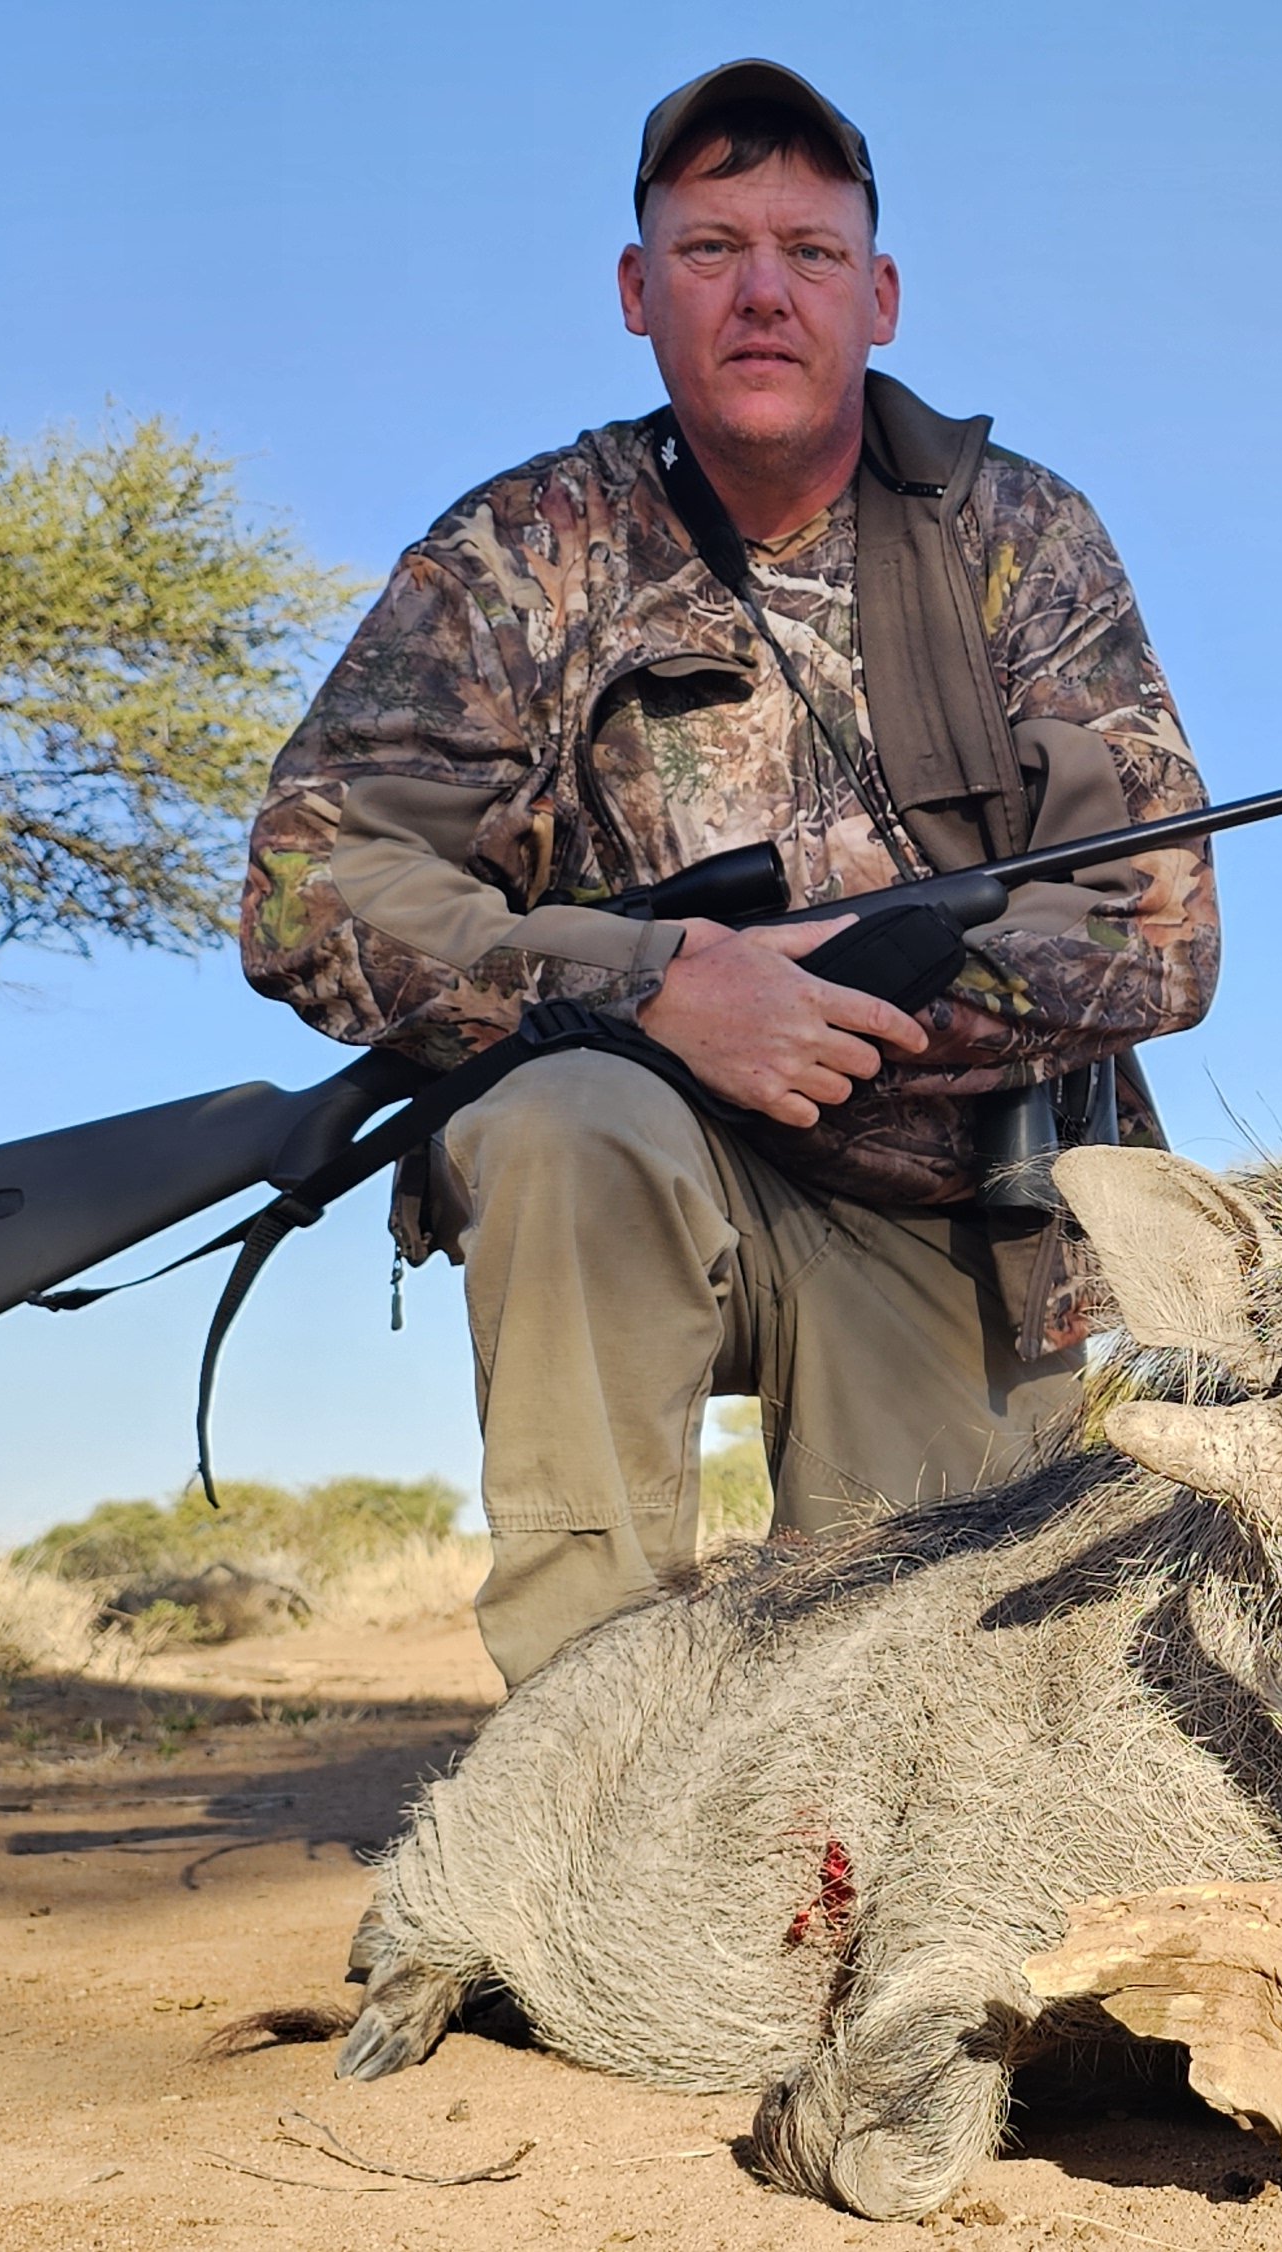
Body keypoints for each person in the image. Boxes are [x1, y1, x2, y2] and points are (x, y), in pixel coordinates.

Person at [238, 60, 1219, 1687]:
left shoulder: (1023, 534)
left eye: (809, 251)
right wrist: (664, 988)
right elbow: (308, 891)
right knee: (565, 1122)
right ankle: (573, 1781)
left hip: (954, 1204)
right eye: (710, 249)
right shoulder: (526, 545)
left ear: (880, 295)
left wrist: (845, 999)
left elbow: (1164, 937)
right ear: (639, 289)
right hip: (645, 1167)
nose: (763, 291)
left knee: (921, 1704)